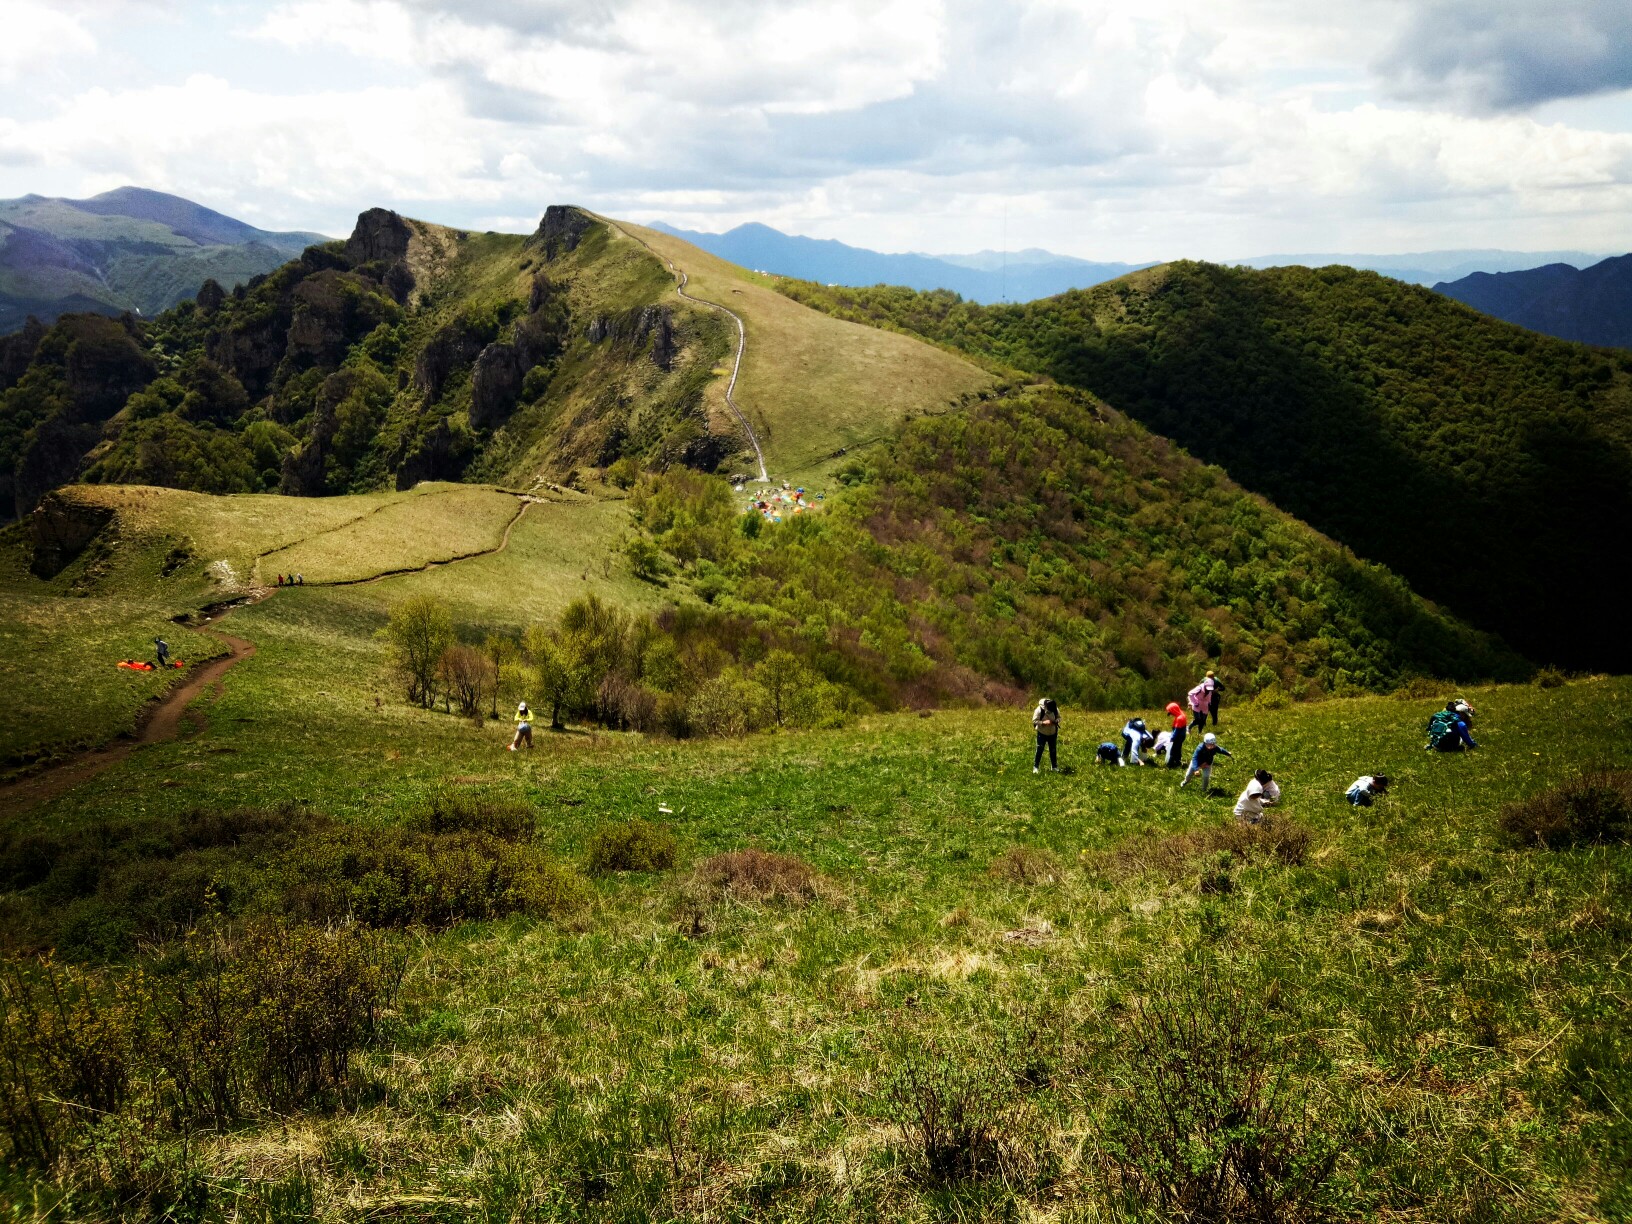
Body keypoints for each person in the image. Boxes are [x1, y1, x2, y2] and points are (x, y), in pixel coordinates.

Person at [1032, 697, 1061, 773]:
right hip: (1042, 733)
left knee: (1053, 750)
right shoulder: (1039, 710)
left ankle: (1054, 767)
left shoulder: (1055, 709)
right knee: (1040, 749)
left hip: (1053, 733)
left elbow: (1059, 718)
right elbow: (1034, 721)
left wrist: (1056, 721)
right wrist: (1043, 723)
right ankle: (1036, 767)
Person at [1163, 701, 1189, 767]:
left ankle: (1169, 765)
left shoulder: (1180, 718)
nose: (1170, 713)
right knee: (1178, 749)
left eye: (1170, 711)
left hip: (1178, 737)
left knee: (1173, 751)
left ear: (1174, 710)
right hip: (1181, 736)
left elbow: (1177, 730)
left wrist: (1172, 738)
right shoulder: (1181, 714)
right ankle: (1178, 761)